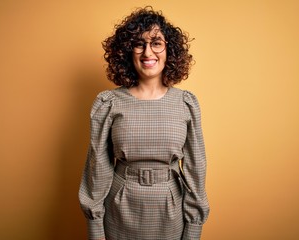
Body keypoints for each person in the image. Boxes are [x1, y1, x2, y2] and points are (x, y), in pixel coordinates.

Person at [79, 6, 210, 240]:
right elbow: (97, 167)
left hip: (170, 211)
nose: (148, 52)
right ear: (128, 52)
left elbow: (195, 170)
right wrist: (95, 229)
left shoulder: (185, 103)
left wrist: (193, 229)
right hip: (120, 209)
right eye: (139, 44)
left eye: (156, 42)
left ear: (169, 50)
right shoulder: (109, 103)